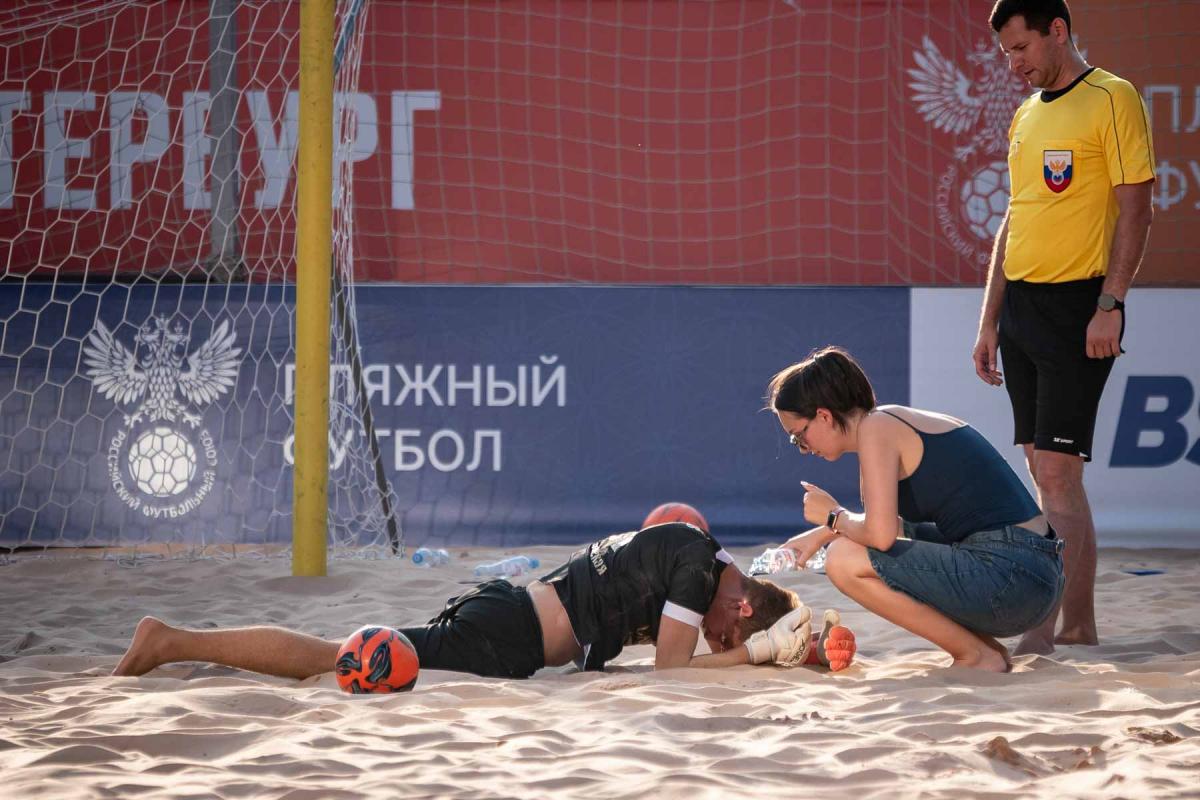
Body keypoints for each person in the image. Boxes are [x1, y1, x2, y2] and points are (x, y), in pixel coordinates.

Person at [972, 0, 1155, 655]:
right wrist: (989, 319)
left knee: (1055, 475)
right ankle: (1076, 625)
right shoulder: (1026, 114)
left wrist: (1111, 303)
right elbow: (1014, 219)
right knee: (1049, 476)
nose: (1013, 64)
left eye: (1021, 48)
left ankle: (1045, 630)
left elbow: (1137, 209)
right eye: (1006, 53)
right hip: (1020, 310)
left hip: (1079, 307)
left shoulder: (1113, 97)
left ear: (1057, 31)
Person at [113, 522, 856, 681]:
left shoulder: (701, 556)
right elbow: (671, 673)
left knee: (336, 658)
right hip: (505, 637)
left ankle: (181, 645)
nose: (715, 646)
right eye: (726, 638)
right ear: (742, 609)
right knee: (333, 660)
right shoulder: (699, 573)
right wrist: (760, 655)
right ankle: (171, 640)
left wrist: (806, 648)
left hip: (510, 621)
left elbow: (776, 605)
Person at [769, 346, 1064, 672]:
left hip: (1013, 576)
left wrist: (832, 515)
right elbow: (893, 529)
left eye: (798, 437)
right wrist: (823, 533)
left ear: (824, 415)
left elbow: (880, 537)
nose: (803, 449)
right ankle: (985, 650)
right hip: (1031, 572)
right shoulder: (888, 423)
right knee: (851, 546)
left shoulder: (877, 429)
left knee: (842, 560)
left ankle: (976, 654)